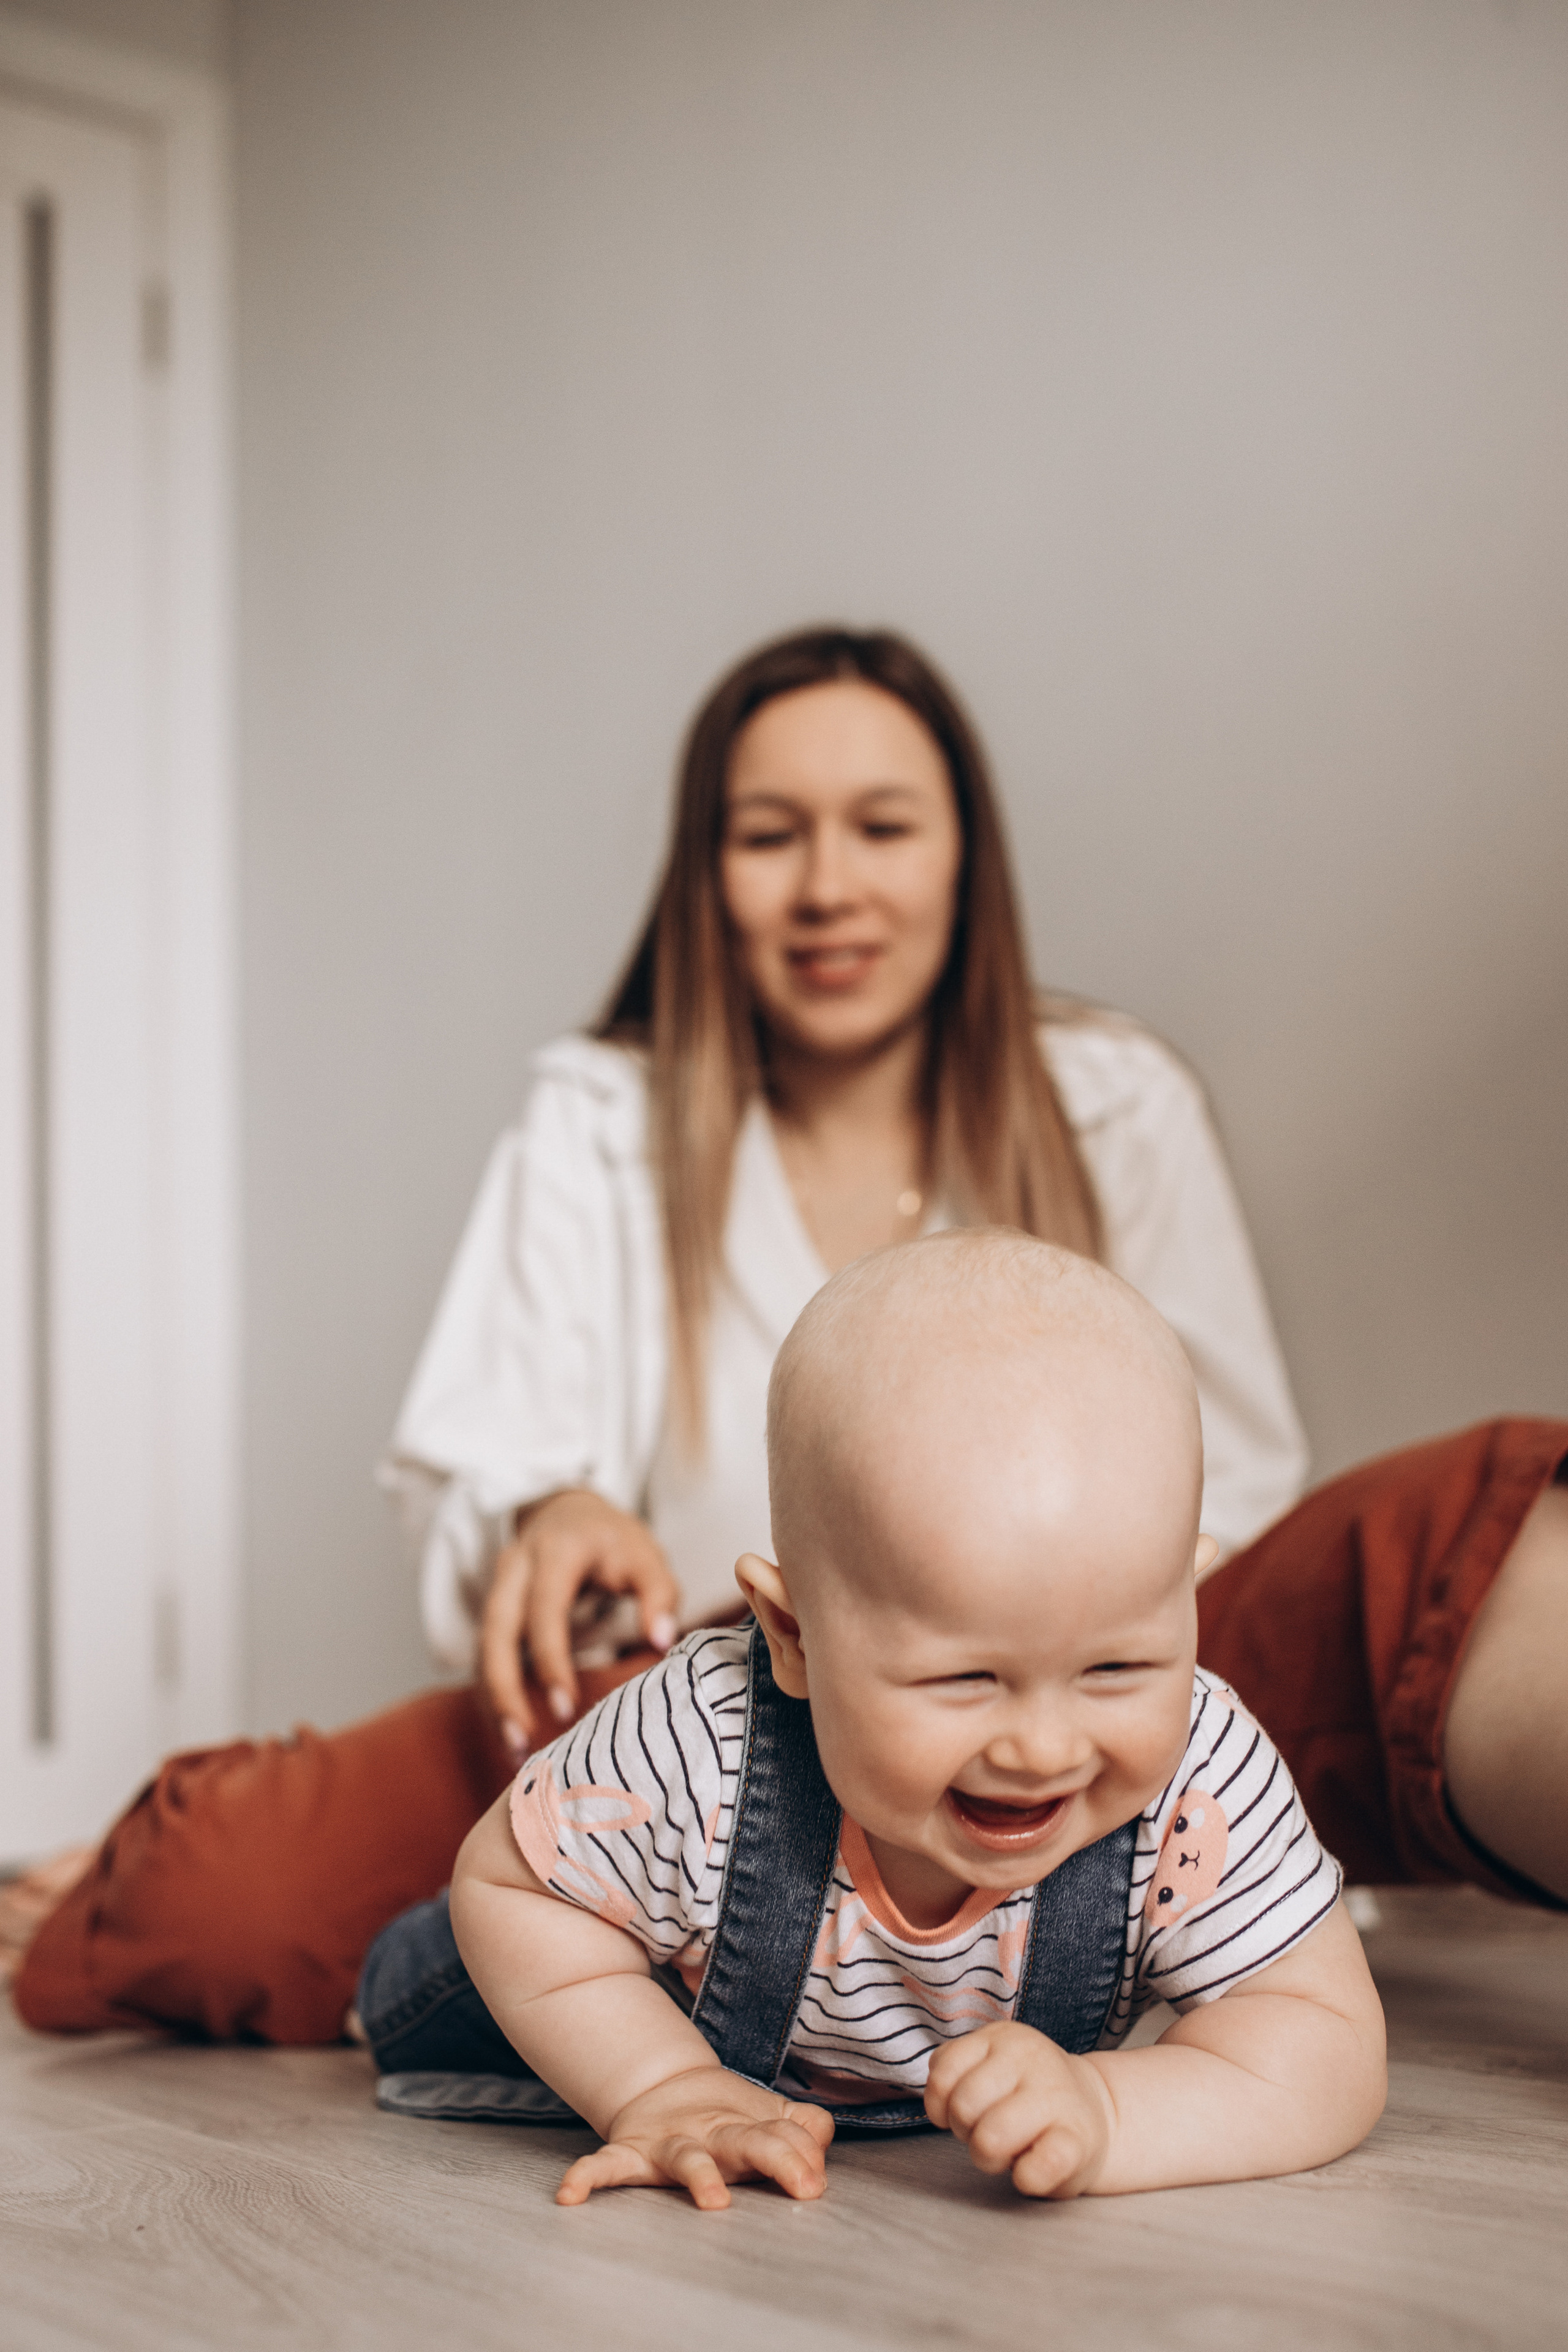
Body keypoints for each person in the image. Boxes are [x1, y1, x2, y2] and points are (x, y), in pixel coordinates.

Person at [7, 625, 1564, 2043]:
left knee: (1422, 1548)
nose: (828, 887)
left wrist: (1071, 1666)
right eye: (768, 837)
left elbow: (1240, 1496)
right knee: (217, 1903)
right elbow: (486, 1465)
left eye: (882, 828)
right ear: (706, 875)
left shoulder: (1111, 1102)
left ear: (963, 860)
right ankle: (170, 1863)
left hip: (1076, 1685)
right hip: (666, 1720)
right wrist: (545, 1516)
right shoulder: (599, 1120)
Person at [389, 1234, 1385, 2208]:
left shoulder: (1200, 1783)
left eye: (1115, 1667)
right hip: (553, 1993)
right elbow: (513, 1890)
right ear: (794, 1638)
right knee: (383, 1955)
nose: (1044, 1748)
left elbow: (1321, 2038)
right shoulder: (704, 1742)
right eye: (965, 1678)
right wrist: (662, 2085)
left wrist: (1112, 2111)